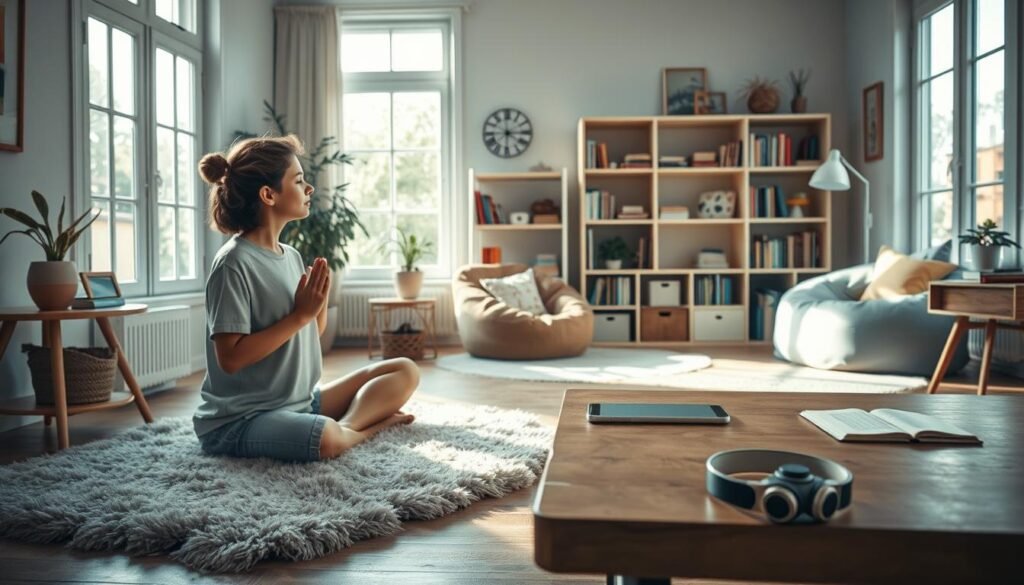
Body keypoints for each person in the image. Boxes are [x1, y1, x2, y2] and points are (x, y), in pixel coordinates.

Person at [193, 134, 419, 462]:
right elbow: (231, 358)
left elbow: (309, 334)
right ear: (268, 195)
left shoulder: (291, 256)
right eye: (299, 181)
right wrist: (299, 315)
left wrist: (317, 305)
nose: (309, 188)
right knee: (324, 437)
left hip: (298, 402)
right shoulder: (233, 263)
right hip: (241, 420)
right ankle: (362, 429)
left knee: (404, 370)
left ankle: (345, 428)